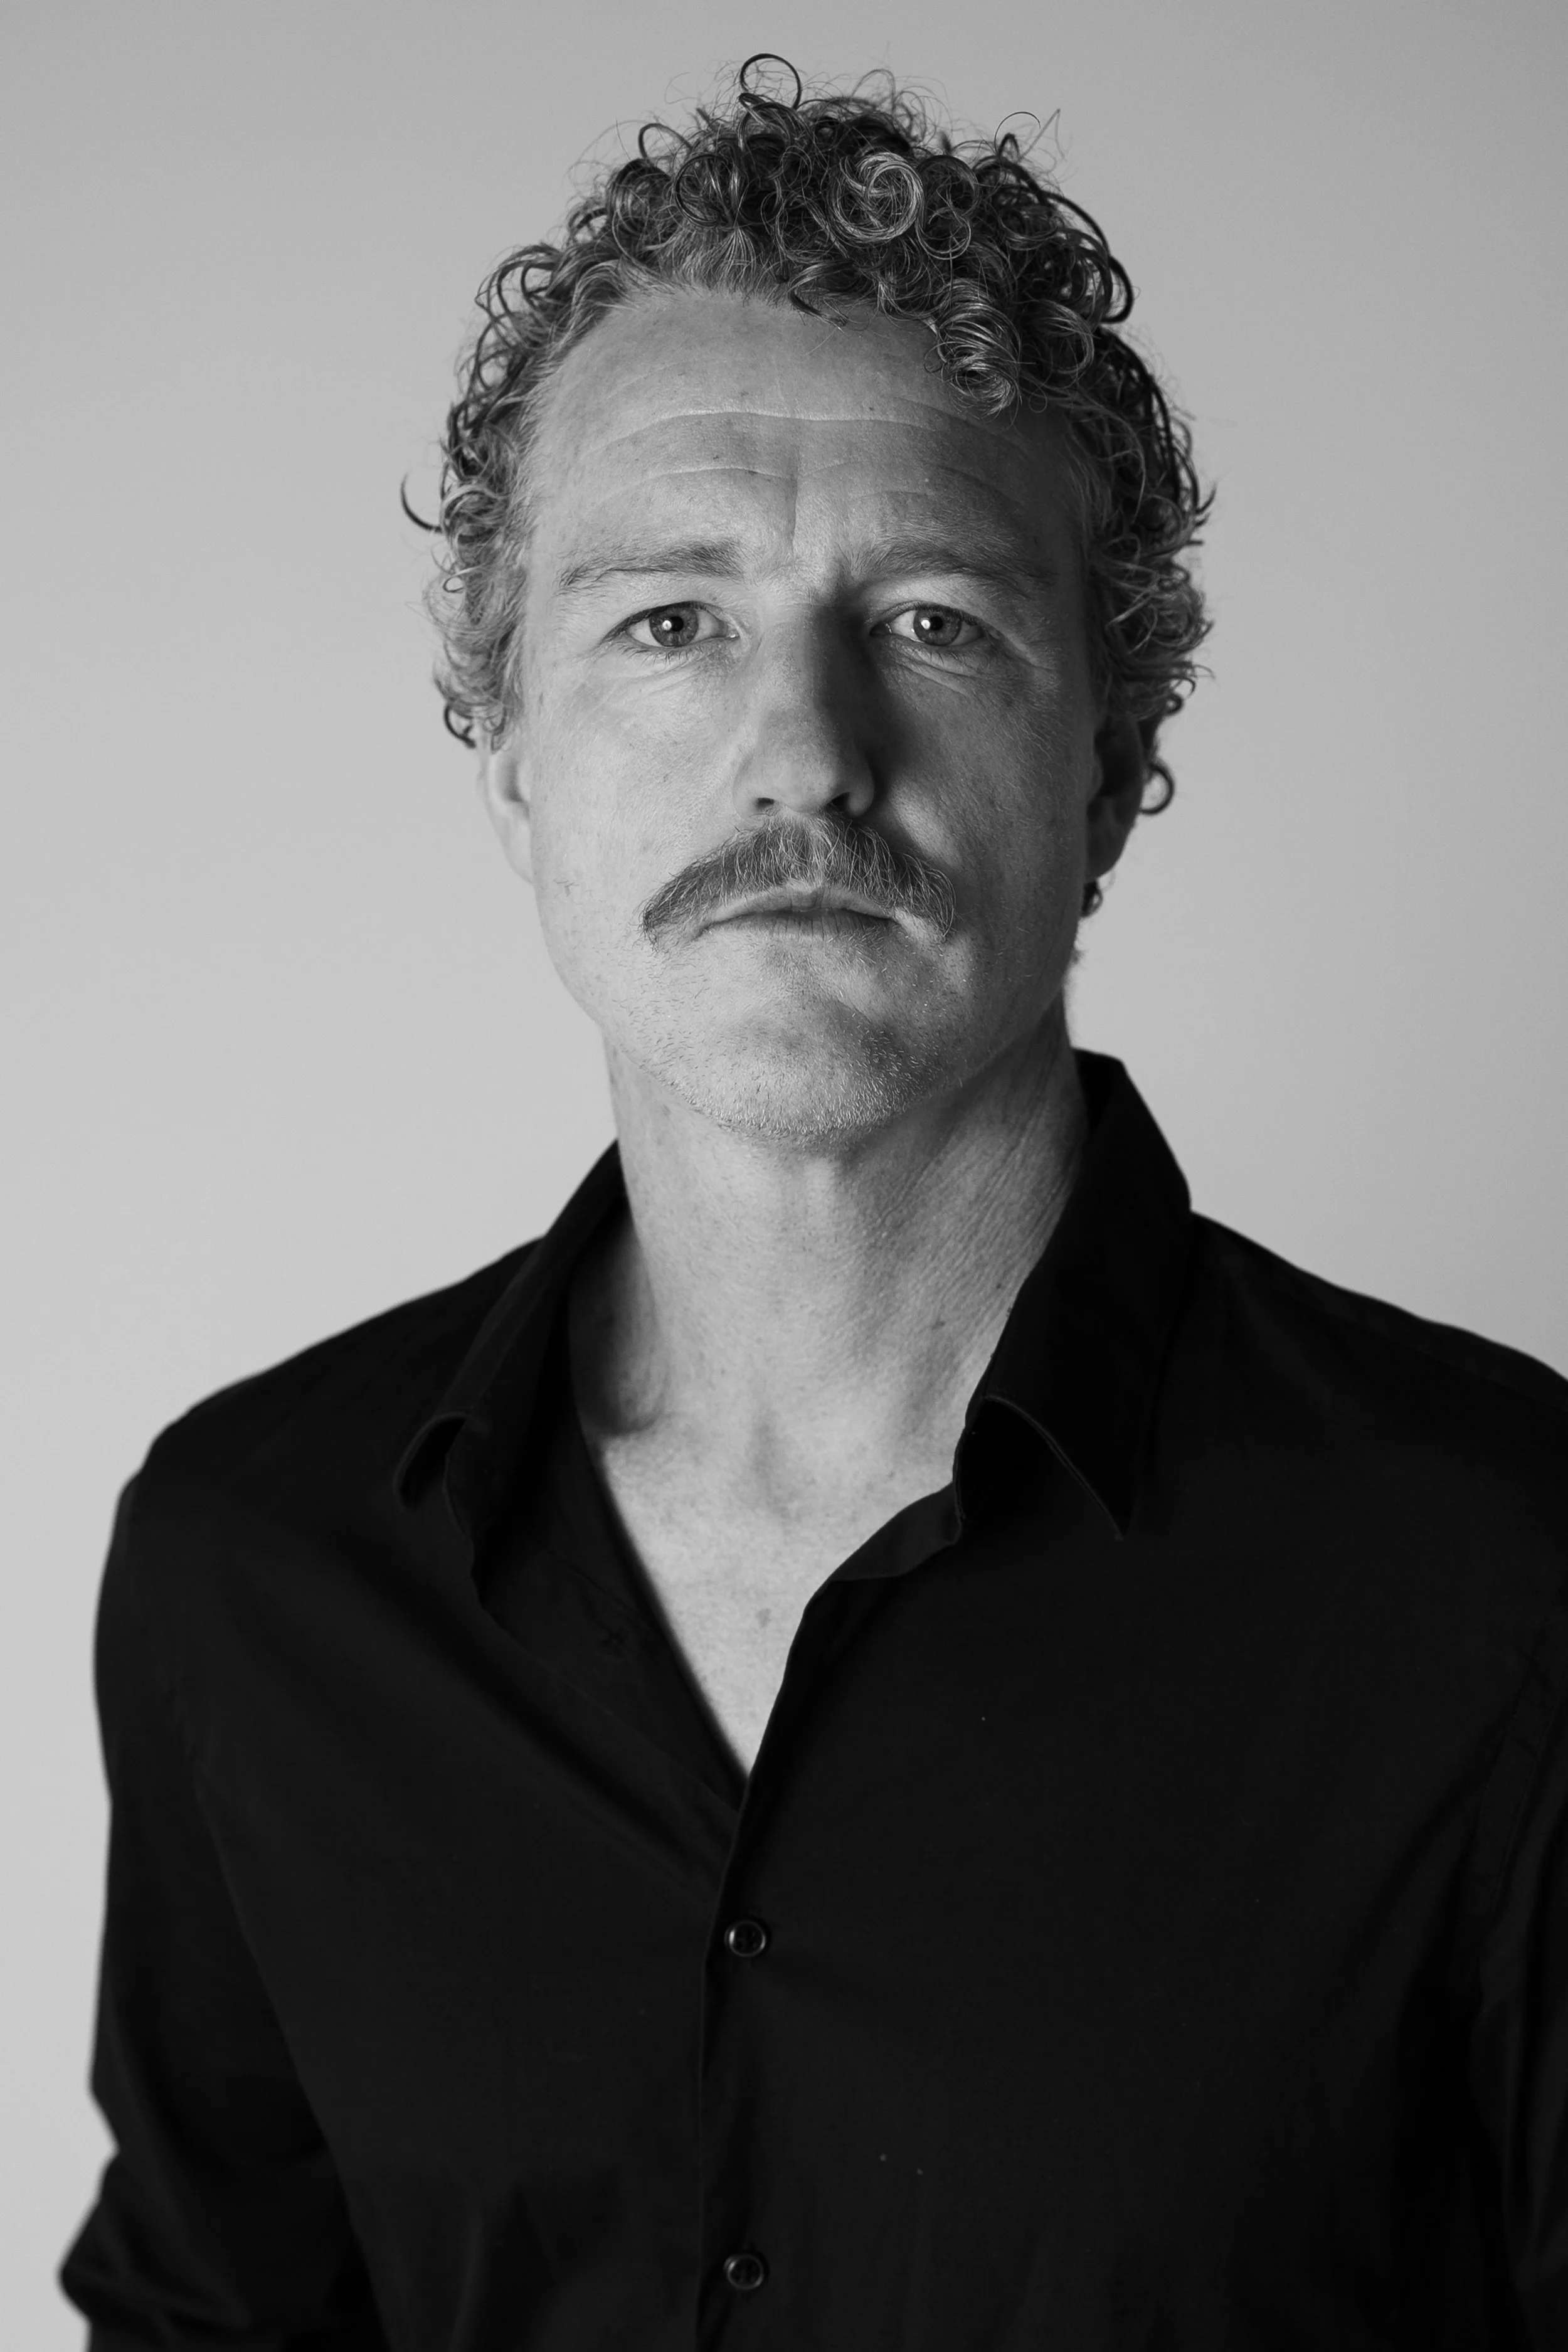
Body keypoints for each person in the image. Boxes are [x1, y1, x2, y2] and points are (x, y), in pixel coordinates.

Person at [63, 60, 1567, 2350]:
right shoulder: (250, 1571)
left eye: (937, 619)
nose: (802, 751)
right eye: (666, 620)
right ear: (508, 753)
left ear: (1111, 751)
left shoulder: (1504, 1577)